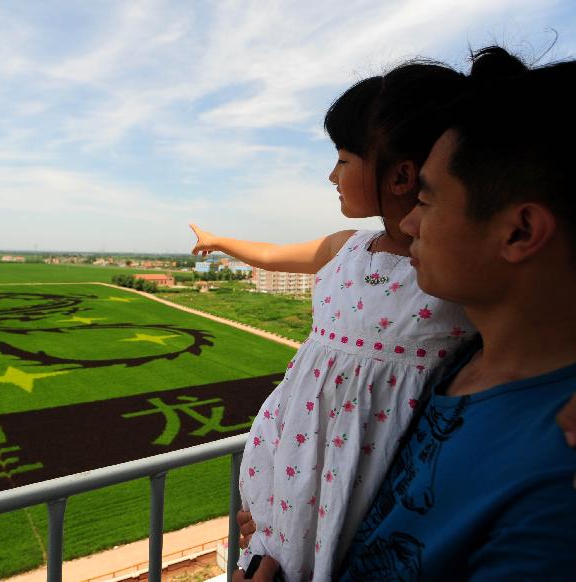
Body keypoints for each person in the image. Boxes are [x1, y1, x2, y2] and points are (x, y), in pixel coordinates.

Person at [236, 46, 576, 581]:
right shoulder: (457, 375)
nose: (409, 225)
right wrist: (287, 515)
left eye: (428, 200)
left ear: (520, 232)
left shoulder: (549, 485)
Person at [191, 60, 476, 581]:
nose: (332, 175)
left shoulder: (453, 275)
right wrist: (219, 241)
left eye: (343, 159)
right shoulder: (346, 247)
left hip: (366, 484)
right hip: (295, 472)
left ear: (400, 175)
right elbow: (272, 254)